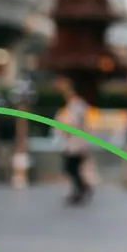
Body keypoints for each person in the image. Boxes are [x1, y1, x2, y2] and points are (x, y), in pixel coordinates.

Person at [53, 76, 96, 206]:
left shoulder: (77, 106)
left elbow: (72, 123)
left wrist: (63, 127)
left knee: (71, 167)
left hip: (76, 144)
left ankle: (82, 189)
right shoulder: (73, 105)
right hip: (74, 143)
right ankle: (81, 189)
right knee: (72, 168)